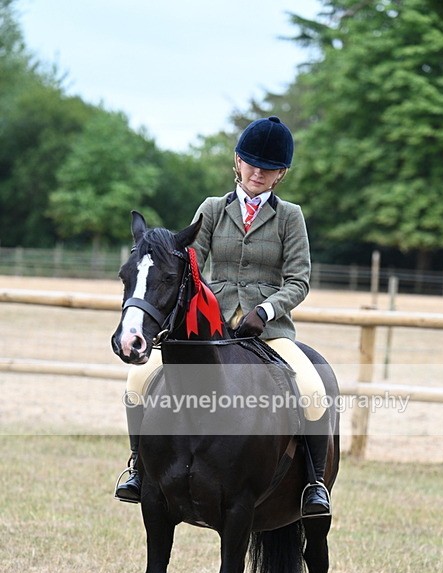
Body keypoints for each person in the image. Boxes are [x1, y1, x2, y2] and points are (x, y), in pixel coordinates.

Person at [115, 116, 331, 517]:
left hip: (268, 332)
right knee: (138, 378)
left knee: (313, 390)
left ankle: (314, 486)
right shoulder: (213, 209)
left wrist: (264, 311)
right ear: (237, 161)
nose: (258, 171)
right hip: (211, 327)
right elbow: (189, 267)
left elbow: (299, 281)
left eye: (268, 167)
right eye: (251, 162)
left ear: (281, 173)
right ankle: (136, 468)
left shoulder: (290, 217)